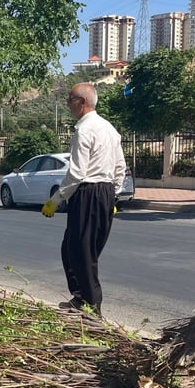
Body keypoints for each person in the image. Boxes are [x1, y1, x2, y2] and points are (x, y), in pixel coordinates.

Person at [42, 82, 126, 316]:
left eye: (70, 100)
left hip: (88, 193)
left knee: (81, 250)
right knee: (76, 247)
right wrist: (114, 196)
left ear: (82, 102)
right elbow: (120, 167)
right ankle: (81, 297)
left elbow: (77, 172)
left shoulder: (84, 130)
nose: (68, 105)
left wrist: (56, 199)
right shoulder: (110, 129)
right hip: (105, 192)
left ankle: (90, 305)